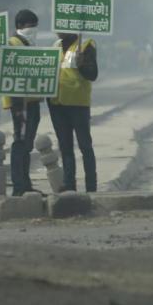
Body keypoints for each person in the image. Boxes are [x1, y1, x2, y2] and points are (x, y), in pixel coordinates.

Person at [48, 33, 99, 192]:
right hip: (57, 104)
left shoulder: (85, 45)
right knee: (65, 147)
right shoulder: (55, 46)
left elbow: (93, 74)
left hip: (78, 104)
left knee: (85, 146)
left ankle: (91, 185)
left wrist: (82, 64)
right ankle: (69, 184)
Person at [2, 9, 43, 196]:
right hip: (20, 102)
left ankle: (25, 184)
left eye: (35, 26)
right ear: (19, 26)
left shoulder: (28, 43)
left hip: (32, 100)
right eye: (30, 26)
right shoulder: (14, 43)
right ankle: (19, 185)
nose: (33, 29)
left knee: (27, 143)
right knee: (21, 142)